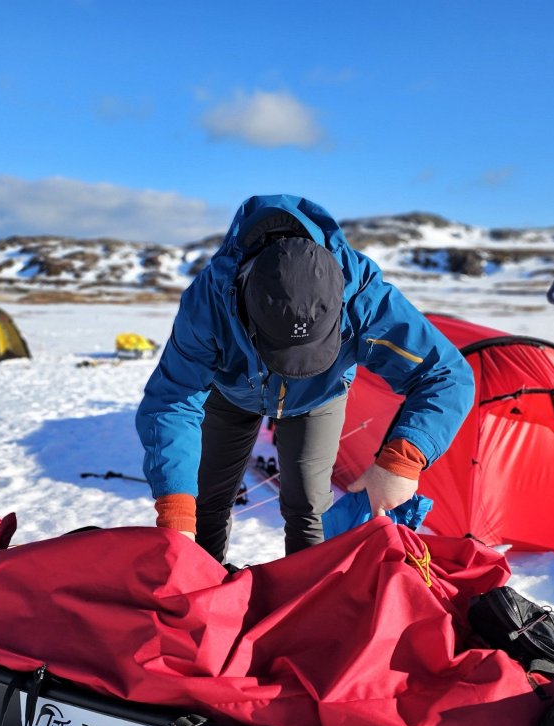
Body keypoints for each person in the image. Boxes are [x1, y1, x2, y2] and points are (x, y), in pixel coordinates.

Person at [135, 194, 475, 564]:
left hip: (319, 397)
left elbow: (446, 375)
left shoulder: (364, 299)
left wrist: (403, 461)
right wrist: (175, 506)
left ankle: (307, 606)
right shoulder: (211, 300)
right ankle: (203, 596)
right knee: (204, 505)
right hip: (232, 393)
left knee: (310, 510)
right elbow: (173, 398)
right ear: (244, 303)